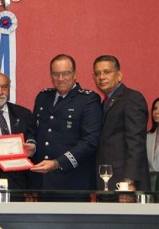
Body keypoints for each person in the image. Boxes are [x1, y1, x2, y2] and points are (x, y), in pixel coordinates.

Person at [27, 54, 103, 201]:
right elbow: (33, 130)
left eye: (66, 73)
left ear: (75, 74)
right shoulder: (43, 97)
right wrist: (32, 144)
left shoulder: (88, 100)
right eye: (56, 74)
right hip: (42, 183)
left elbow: (90, 142)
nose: (61, 78)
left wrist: (57, 163)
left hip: (73, 183)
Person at [94, 55, 150, 192]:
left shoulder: (131, 98)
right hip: (107, 180)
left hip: (124, 183)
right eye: (97, 73)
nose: (101, 77)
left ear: (119, 75)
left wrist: (129, 181)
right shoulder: (105, 102)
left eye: (107, 72)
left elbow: (136, 143)